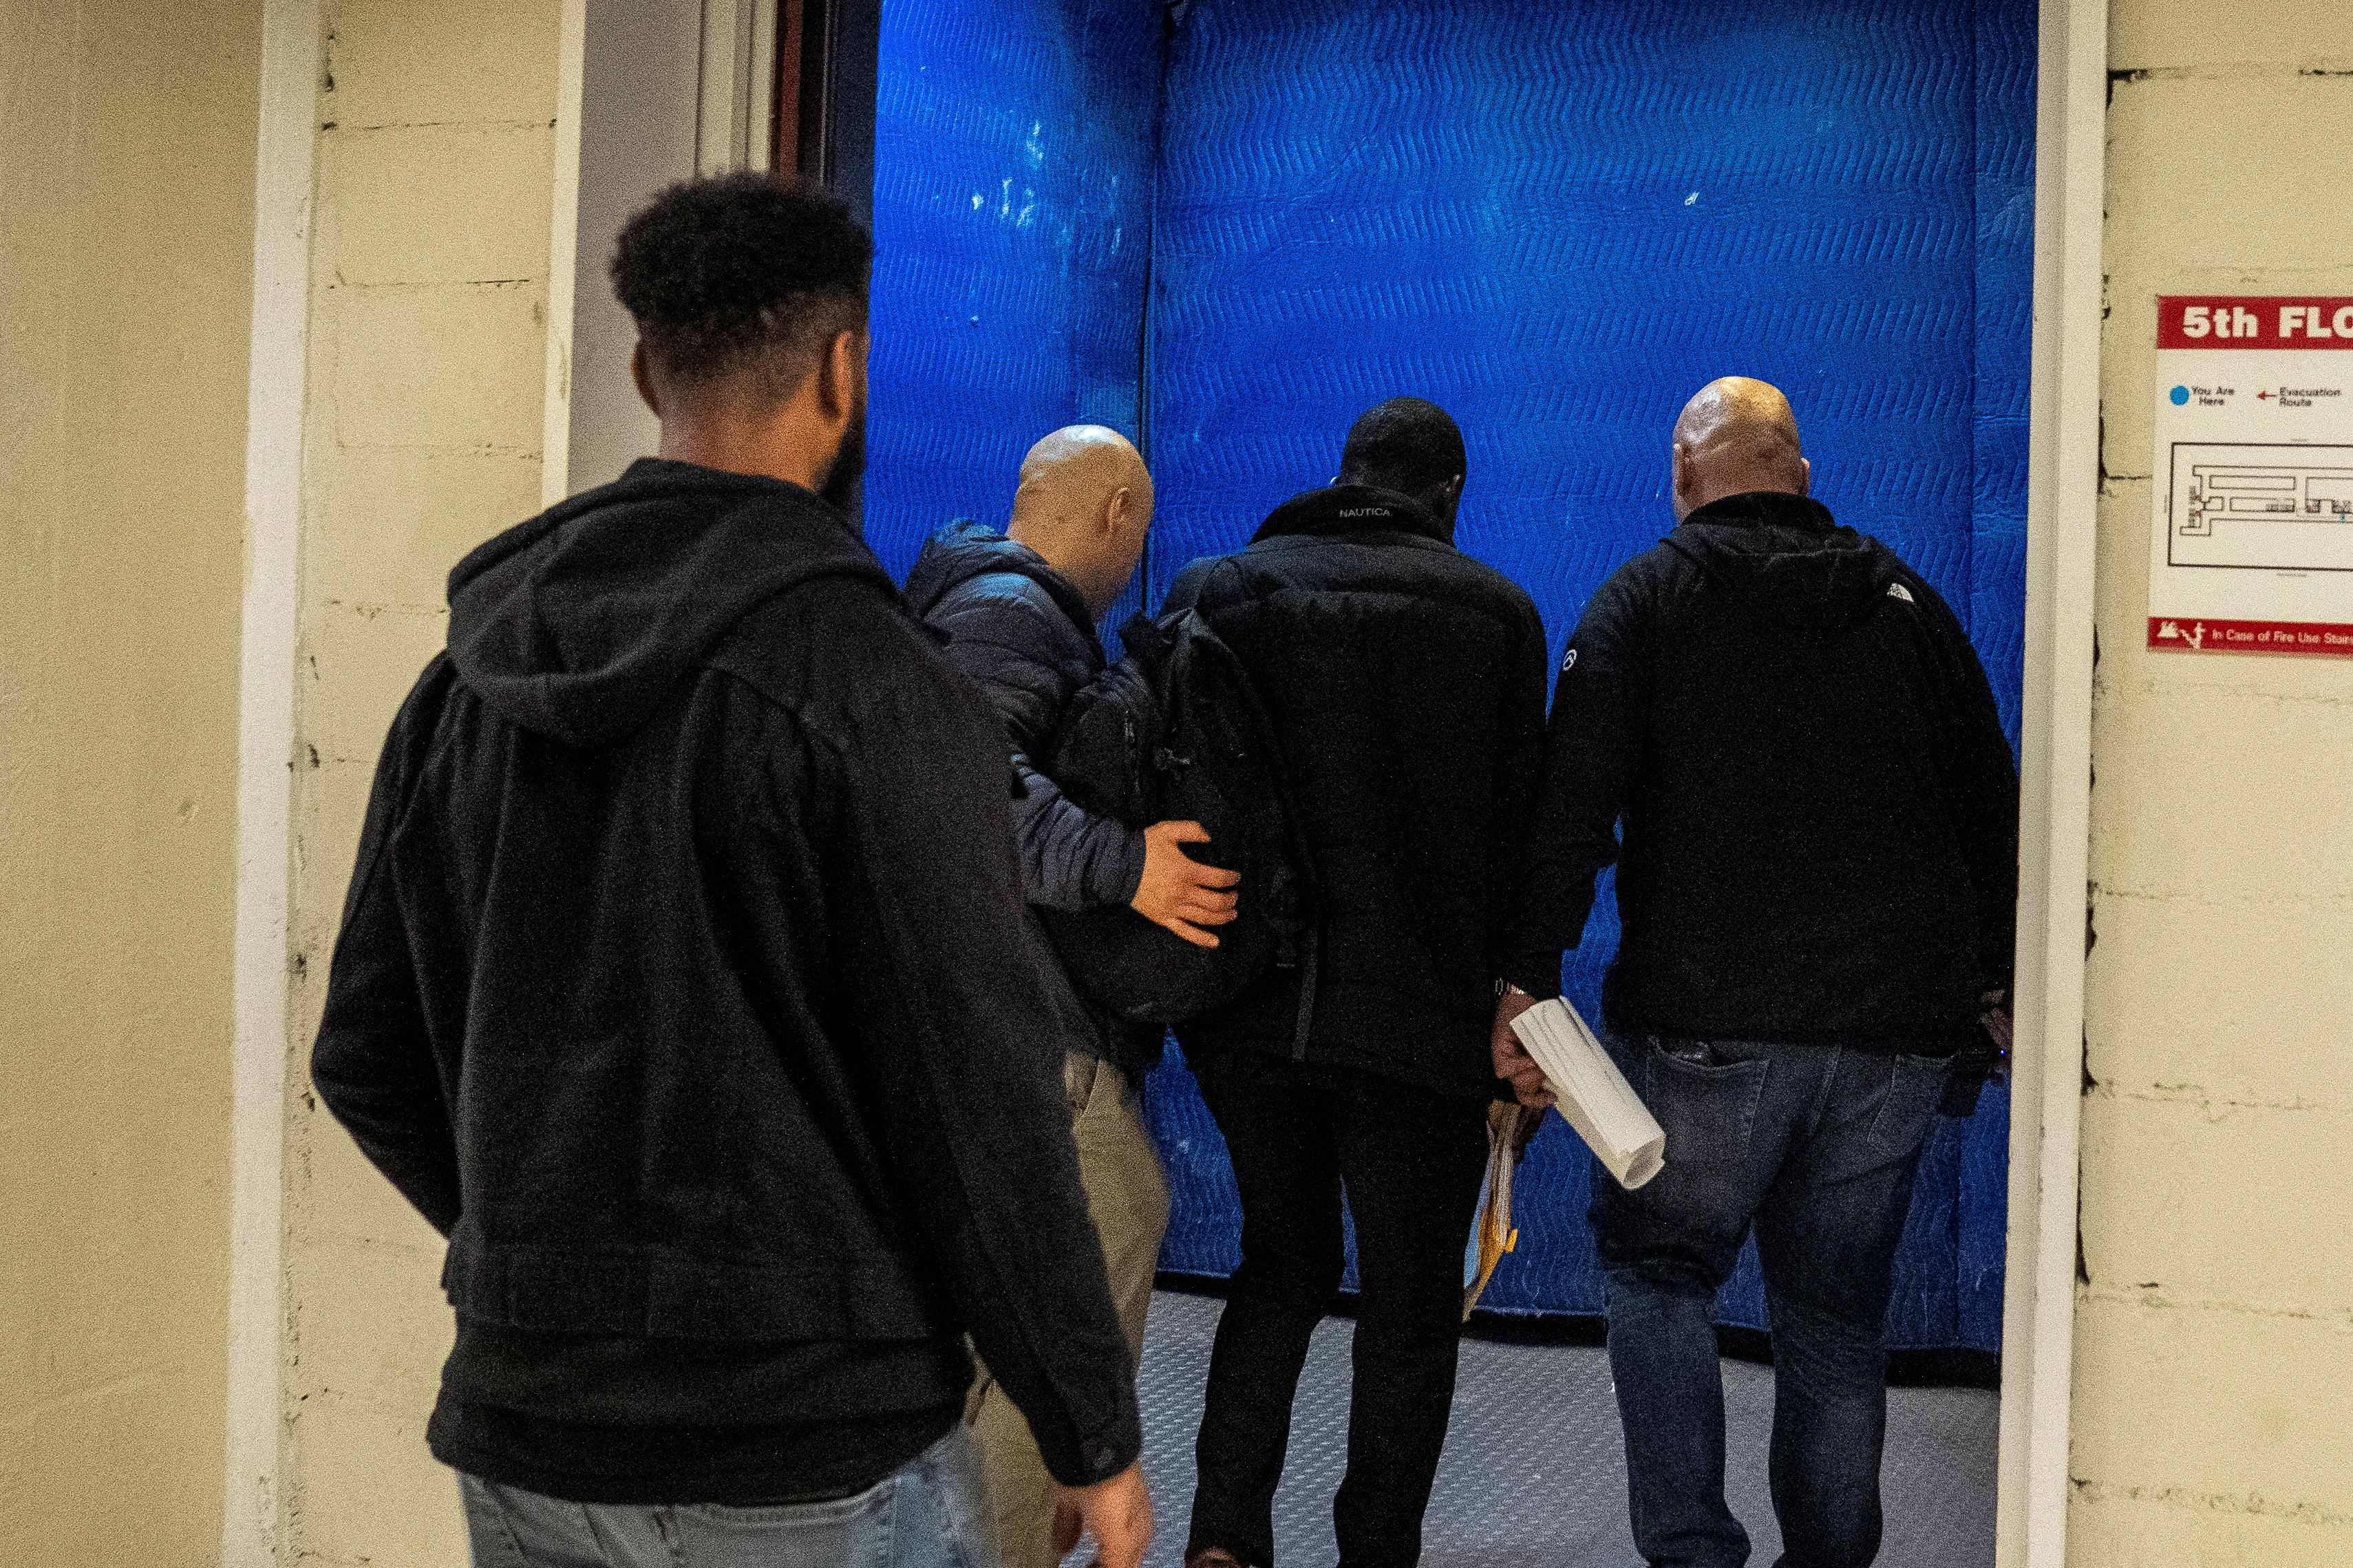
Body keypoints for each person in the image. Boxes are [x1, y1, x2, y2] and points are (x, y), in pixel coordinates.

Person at [308, 173, 1151, 1568]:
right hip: (811, 1451)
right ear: (843, 372)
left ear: (646, 371)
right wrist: (1090, 1433)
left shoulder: (467, 682)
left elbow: (362, 1055)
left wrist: (551, 1265)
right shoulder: (883, 690)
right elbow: (977, 1105)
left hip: (526, 1437)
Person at [1492, 378, 2019, 1568]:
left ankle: (1693, 1555)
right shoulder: (1910, 605)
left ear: (1683, 479)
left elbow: (1570, 812)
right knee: (1835, 1321)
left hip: (1705, 1030)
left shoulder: (1643, 600)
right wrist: (1995, 980)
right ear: (1802, 474)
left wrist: (1527, 982)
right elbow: (1994, 806)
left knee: (1660, 1274)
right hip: (1894, 1035)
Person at [1164, 398, 1551, 1568]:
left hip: (1249, 1007)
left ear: (1343, 474)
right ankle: (1375, 1551)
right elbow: (1523, 837)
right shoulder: (1498, 615)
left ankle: (1224, 1539)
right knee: (1409, 1307)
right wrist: (1522, 1000)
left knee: (1278, 1266)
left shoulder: (1222, 590)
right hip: (1420, 1025)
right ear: (1451, 491)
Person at [906, 426, 1237, 1567]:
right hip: (1027, 1035)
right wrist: (1125, 863)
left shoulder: (974, 602)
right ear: (1118, 513)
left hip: (976, 1023)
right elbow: (958, 792)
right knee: (1101, 1236)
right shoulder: (1013, 616)